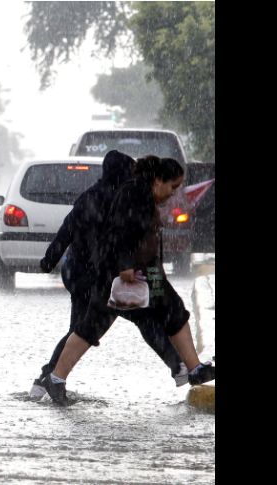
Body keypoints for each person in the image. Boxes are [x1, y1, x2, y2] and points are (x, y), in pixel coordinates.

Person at [40, 156, 215, 405]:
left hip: (142, 271)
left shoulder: (141, 193)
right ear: (158, 180)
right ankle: (55, 378)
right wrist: (125, 266)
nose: (173, 194)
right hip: (119, 273)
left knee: (173, 310)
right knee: (91, 326)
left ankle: (192, 367)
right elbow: (120, 231)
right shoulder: (134, 194)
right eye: (172, 187)